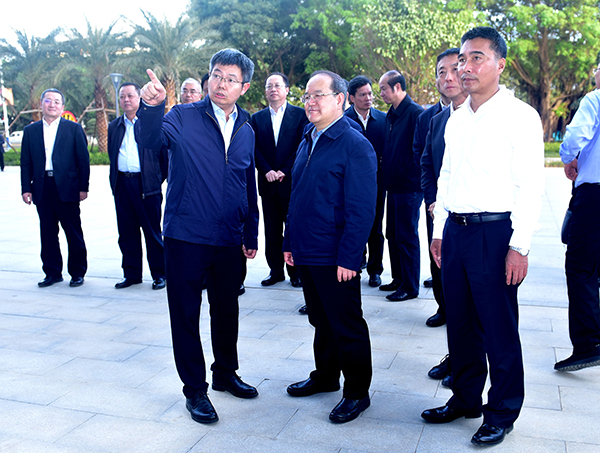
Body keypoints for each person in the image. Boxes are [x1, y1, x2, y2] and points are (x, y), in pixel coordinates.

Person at [421, 27, 544, 447]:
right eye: (462, 59)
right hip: (455, 233)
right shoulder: (456, 118)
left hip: (495, 234)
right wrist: (439, 232)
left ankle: (502, 411)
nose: (465, 67)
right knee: (460, 323)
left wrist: (519, 246)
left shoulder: (519, 116)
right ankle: (465, 398)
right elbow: (446, 177)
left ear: (500, 64)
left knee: (498, 328)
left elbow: (530, 186)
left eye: (477, 57)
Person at [136, 49, 260, 424]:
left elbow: (247, 182)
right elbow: (149, 138)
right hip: (186, 235)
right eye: (216, 75)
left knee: (227, 309)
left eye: (231, 79)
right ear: (208, 78)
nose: (221, 84)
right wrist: (152, 107)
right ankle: (195, 390)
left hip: (229, 238)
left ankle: (225, 372)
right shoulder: (182, 116)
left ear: (244, 87)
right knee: (186, 314)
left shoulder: (246, 128)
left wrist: (250, 230)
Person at [283, 70, 377, 424]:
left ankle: (357, 392)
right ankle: (325, 376)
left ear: (339, 99)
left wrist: (350, 258)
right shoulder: (309, 137)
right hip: (307, 249)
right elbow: (297, 195)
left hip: (335, 254)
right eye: (307, 96)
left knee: (345, 324)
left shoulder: (354, 145)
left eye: (318, 95)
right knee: (320, 319)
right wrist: (289, 242)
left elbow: (362, 210)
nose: (310, 102)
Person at [420, 48, 468, 387]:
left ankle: (468, 366)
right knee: (450, 291)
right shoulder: (436, 120)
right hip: (441, 220)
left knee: (473, 300)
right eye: (441, 72)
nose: (448, 77)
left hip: (476, 224)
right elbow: (427, 164)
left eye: (454, 69)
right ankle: (457, 357)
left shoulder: (485, 117)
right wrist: (433, 201)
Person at [555, 61, 600, 372]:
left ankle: (588, 344)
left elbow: (575, 137)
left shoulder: (595, 99)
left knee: (581, 267)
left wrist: (568, 157)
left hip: (595, 195)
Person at [20, 89, 89, 288]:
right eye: (48, 101)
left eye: (57, 101)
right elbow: (26, 162)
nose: (52, 105)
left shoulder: (73, 129)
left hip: (68, 188)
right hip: (42, 187)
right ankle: (52, 273)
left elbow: (83, 161)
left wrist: (83, 187)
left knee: (73, 232)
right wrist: (26, 188)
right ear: (41, 104)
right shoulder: (31, 131)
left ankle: (77, 273)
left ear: (62, 107)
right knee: (48, 233)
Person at [108, 82, 167, 290]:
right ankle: (131, 274)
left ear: (140, 98)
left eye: (130, 96)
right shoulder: (114, 126)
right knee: (126, 233)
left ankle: (160, 274)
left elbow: (164, 158)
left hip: (147, 187)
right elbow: (112, 155)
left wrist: (155, 179)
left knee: (152, 233)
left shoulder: (150, 123)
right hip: (122, 185)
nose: (126, 100)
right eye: (122, 96)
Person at [251, 72, 308, 292]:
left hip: (291, 182)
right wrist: (266, 170)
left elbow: (302, 146)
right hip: (268, 183)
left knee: (293, 229)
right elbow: (254, 148)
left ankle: (296, 273)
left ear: (286, 90)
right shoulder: (257, 118)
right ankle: (275, 271)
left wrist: (284, 170)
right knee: (272, 231)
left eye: (277, 85)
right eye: (269, 86)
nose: (273, 89)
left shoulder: (300, 115)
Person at [378, 70, 424, 301]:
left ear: (397, 87)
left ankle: (410, 286)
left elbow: (421, 151)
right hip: (393, 185)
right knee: (393, 234)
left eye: (383, 89)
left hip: (409, 187)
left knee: (406, 236)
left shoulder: (416, 113)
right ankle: (398, 279)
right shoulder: (391, 114)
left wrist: (408, 171)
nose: (381, 94)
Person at [344, 76, 386, 288]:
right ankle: (356, 262)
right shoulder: (344, 121)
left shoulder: (383, 119)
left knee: (376, 227)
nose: (368, 98)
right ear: (351, 98)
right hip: (351, 183)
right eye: (362, 95)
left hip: (377, 183)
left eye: (370, 93)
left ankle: (375, 269)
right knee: (353, 223)